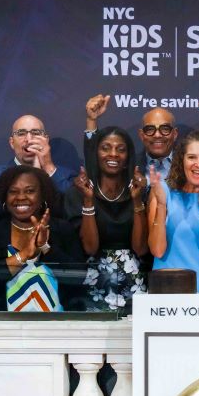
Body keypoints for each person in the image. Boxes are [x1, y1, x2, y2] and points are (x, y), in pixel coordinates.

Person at [0, 165, 85, 311]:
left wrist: (45, 248)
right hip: (7, 327)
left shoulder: (62, 229)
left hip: (58, 327)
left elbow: (80, 277)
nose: (21, 197)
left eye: (30, 191)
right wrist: (24, 255)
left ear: (42, 195)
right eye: (13, 192)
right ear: (5, 196)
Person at [66, 126, 149, 311]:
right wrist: (88, 200)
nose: (113, 154)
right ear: (96, 154)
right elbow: (90, 247)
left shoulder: (139, 191)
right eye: (106, 148)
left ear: (128, 158)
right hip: (93, 281)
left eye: (121, 149)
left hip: (134, 282)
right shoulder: (78, 193)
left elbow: (141, 248)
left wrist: (137, 201)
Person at [148, 131, 199, 292]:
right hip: (166, 289)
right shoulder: (161, 192)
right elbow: (157, 250)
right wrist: (161, 205)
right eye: (192, 157)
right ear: (182, 160)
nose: (198, 164)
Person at [83, 94, 199, 181]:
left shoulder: (189, 165)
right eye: (150, 129)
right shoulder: (129, 165)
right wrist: (91, 121)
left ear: (175, 134)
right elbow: (93, 165)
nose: (158, 135)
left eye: (165, 129)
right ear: (141, 135)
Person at [0, 114, 75, 221]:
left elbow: (72, 209)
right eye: (21, 134)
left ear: (46, 140)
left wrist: (49, 168)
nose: (29, 139)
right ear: (12, 143)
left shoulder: (68, 175)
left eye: (35, 133)